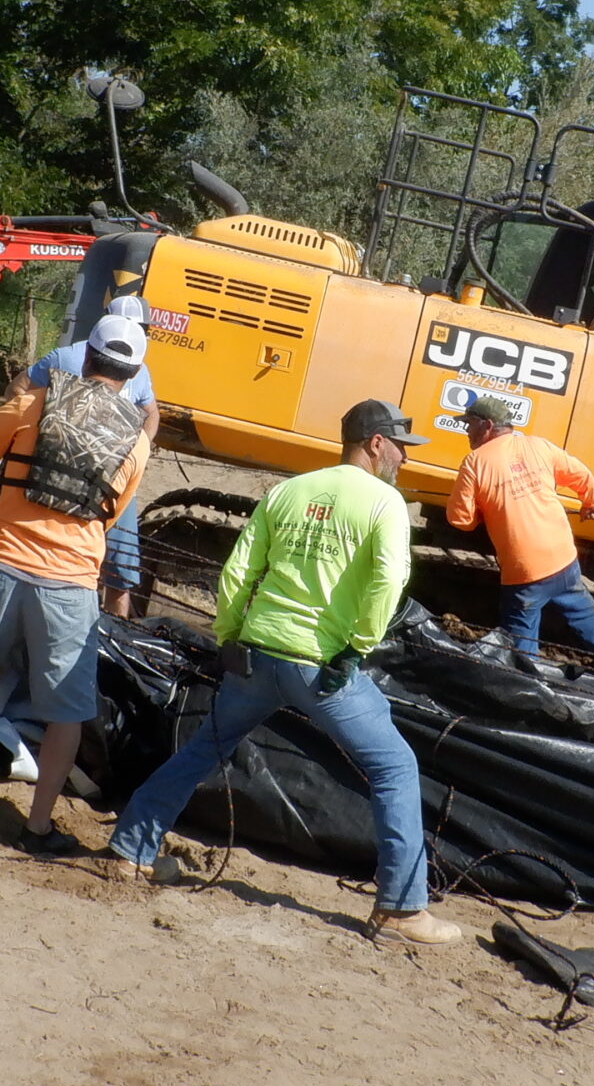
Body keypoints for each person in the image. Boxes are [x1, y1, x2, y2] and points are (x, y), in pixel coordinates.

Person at [108, 400, 461, 947]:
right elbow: (387, 582)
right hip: (321, 666)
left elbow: (240, 568)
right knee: (394, 767)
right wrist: (357, 648)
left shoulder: (290, 491)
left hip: (258, 655)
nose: (403, 460)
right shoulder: (384, 503)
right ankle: (401, 909)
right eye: (399, 447)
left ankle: (130, 849)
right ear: (374, 442)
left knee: (206, 748)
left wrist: (229, 637)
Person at [0, 314, 153, 855]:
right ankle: (36, 825)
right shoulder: (138, 441)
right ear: (132, 375)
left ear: (86, 359)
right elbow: (111, 515)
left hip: (3, 567)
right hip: (70, 585)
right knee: (66, 712)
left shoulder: (34, 402)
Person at [445, 396, 594, 679]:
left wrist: (485, 512)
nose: (466, 430)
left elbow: (460, 520)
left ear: (488, 425)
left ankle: (526, 677)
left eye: (469, 424)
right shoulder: (538, 446)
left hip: (524, 570)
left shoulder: (474, 463)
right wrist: (590, 502)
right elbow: (581, 475)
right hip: (562, 556)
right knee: (581, 611)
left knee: (519, 634)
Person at [25, 295, 159, 617]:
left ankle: (114, 635)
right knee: (58, 556)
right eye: (133, 327)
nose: (135, 335)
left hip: (115, 482)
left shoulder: (139, 370)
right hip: (63, 479)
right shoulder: (66, 357)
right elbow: (20, 389)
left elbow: (151, 411)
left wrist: (139, 450)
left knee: (120, 572)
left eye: (140, 329)